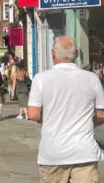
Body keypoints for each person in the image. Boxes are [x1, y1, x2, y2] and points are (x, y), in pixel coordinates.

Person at [28, 36, 104, 182]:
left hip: (53, 152)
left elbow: (33, 114)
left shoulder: (41, 79)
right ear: (76, 55)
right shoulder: (92, 79)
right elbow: (101, 114)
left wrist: (48, 118)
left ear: (53, 54)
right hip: (84, 151)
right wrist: (90, 122)